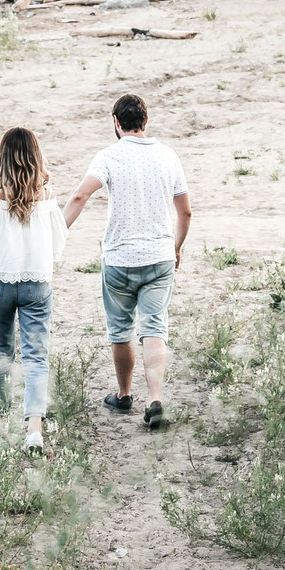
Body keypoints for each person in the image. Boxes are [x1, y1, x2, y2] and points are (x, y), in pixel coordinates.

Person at [63, 93, 191, 430]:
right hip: (160, 256)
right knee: (154, 327)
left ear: (117, 124)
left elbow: (80, 196)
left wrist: (56, 232)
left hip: (119, 258)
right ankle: (155, 399)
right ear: (145, 121)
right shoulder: (168, 156)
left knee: (120, 330)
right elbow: (186, 211)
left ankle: (123, 395)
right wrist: (176, 246)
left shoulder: (108, 156)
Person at [0, 127, 68, 450]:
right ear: (36, 156)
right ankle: (34, 430)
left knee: (1, 352)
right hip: (36, 285)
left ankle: (0, 420)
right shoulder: (46, 196)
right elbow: (58, 241)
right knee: (36, 356)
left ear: (2, 157)